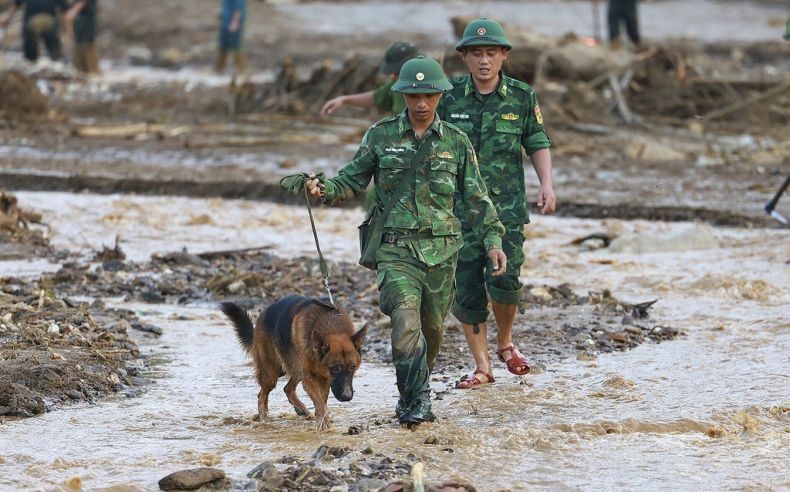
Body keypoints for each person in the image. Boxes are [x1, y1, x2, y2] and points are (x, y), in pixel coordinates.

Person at [296, 56, 507, 426]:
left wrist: (493, 241)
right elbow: (350, 179)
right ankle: (416, 404)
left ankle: (412, 392)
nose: (421, 103)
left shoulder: (456, 143)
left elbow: (476, 197)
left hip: (442, 254)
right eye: (413, 95)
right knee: (405, 325)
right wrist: (323, 188)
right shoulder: (381, 135)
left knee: (432, 331)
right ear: (402, 95)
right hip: (396, 251)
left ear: (441, 94)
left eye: (428, 95)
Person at [437, 18, 556, 389]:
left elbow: (536, 141)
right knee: (468, 287)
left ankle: (505, 343)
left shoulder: (521, 96)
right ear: (465, 57)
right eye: (476, 53)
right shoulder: (449, 95)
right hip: (459, 212)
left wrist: (546, 185)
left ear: (503, 55)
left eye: (491, 53)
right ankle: (483, 367)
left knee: (505, 282)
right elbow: (427, 144)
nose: (484, 60)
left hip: (505, 211)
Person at [320, 41, 420, 116]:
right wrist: (344, 100)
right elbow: (376, 97)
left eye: (397, 72)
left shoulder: (432, 91)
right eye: (392, 72)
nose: (392, 77)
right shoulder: (396, 87)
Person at [1, 0, 67, 63]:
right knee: (31, 52)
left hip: (47, 20)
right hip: (33, 20)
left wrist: (65, 26)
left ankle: (55, 64)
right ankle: (32, 63)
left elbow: (64, 9)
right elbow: (16, 3)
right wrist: (8, 17)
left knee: (54, 51)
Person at [63, 0, 99, 73]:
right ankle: (79, 71)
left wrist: (73, 11)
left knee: (88, 46)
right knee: (78, 47)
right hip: (78, 24)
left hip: (87, 21)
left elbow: (82, 3)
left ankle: (92, 72)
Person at [215, 0, 246, 74]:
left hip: (233, 23)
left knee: (236, 45)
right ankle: (219, 68)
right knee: (223, 45)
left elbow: (238, 8)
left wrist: (235, 22)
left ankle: (241, 69)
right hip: (226, 21)